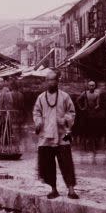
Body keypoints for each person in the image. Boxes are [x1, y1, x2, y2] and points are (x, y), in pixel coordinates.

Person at [32, 70, 78, 199]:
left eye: (53, 80)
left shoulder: (64, 96)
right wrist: (38, 122)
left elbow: (72, 111)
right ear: (46, 82)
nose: (51, 82)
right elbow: (36, 113)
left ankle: (71, 189)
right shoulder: (41, 98)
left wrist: (65, 119)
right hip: (46, 134)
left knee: (66, 162)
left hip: (62, 134)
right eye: (48, 80)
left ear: (57, 81)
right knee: (48, 163)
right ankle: (53, 188)